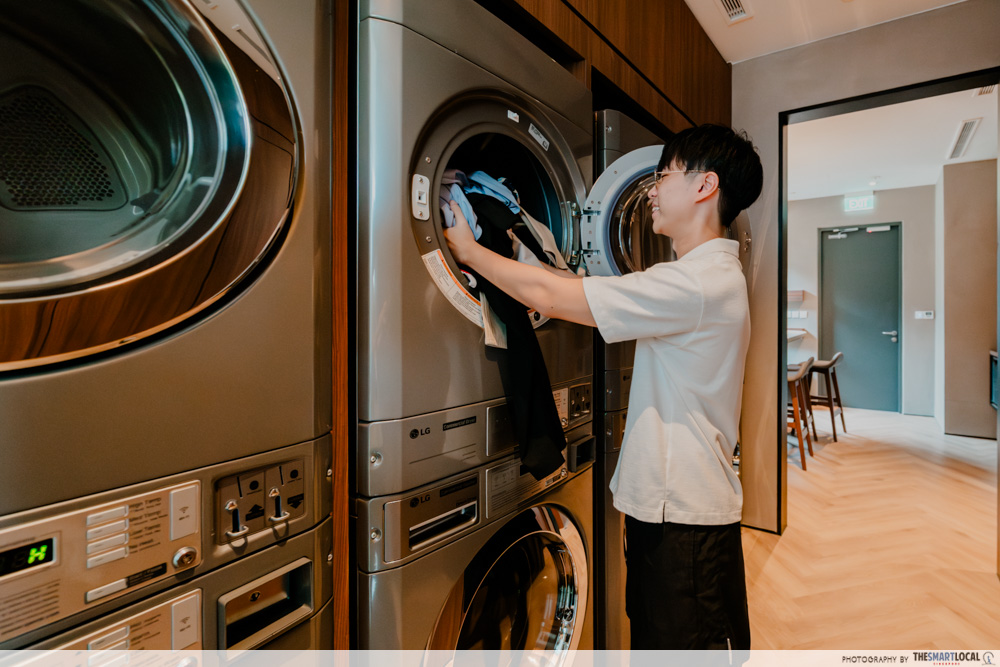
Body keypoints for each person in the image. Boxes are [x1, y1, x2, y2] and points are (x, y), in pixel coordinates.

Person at [443, 124, 764, 651]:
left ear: (705, 187)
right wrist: (529, 260)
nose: (653, 189)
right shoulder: (694, 278)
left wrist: (471, 252)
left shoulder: (697, 284)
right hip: (672, 511)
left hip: (684, 520)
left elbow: (563, 297)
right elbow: (575, 288)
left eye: (664, 175)